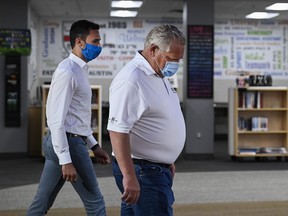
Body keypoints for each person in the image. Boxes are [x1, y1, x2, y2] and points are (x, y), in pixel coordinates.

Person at [27, 19, 110, 216]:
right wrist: (66, 160)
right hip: (68, 144)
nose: (99, 46)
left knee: (43, 201)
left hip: (68, 141)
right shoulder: (67, 71)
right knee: (95, 202)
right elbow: (56, 119)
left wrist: (94, 145)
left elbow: (77, 116)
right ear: (80, 42)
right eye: (96, 41)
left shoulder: (80, 69)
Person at [107, 24, 186, 216]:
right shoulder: (132, 80)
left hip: (154, 168)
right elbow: (117, 130)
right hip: (143, 171)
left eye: (178, 60)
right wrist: (129, 176)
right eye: (170, 59)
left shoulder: (157, 73)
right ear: (153, 49)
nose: (174, 65)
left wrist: (167, 159)